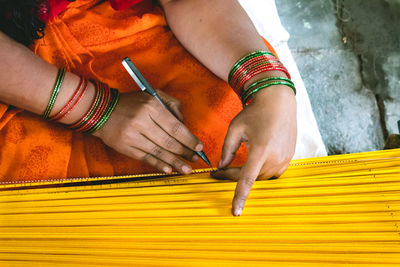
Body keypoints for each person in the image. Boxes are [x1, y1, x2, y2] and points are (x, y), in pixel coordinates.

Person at [0, 0, 297, 216]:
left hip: (118, 20)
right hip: (15, 68)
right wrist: (96, 109)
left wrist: (269, 85)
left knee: (239, 147)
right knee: (46, 216)